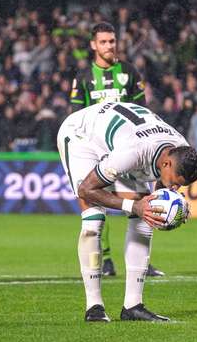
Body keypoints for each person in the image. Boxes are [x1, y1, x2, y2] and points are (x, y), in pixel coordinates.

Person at [57, 100, 197, 322]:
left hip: (122, 137)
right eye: (174, 183)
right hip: (82, 135)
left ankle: (133, 306)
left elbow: (161, 192)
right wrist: (133, 205)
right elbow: (86, 190)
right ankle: (94, 307)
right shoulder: (134, 153)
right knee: (93, 220)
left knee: (147, 215)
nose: (174, 188)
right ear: (166, 165)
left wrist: (175, 206)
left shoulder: (179, 149)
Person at [69, 22, 165, 278]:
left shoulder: (129, 72)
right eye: (103, 42)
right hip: (96, 149)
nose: (109, 46)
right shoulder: (83, 78)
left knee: (137, 202)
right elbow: (76, 117)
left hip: (127, 150)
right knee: (95, 203)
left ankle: (141, 262)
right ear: (93, 45)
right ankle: (108, 260)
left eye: (112, 41)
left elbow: (143, 111)